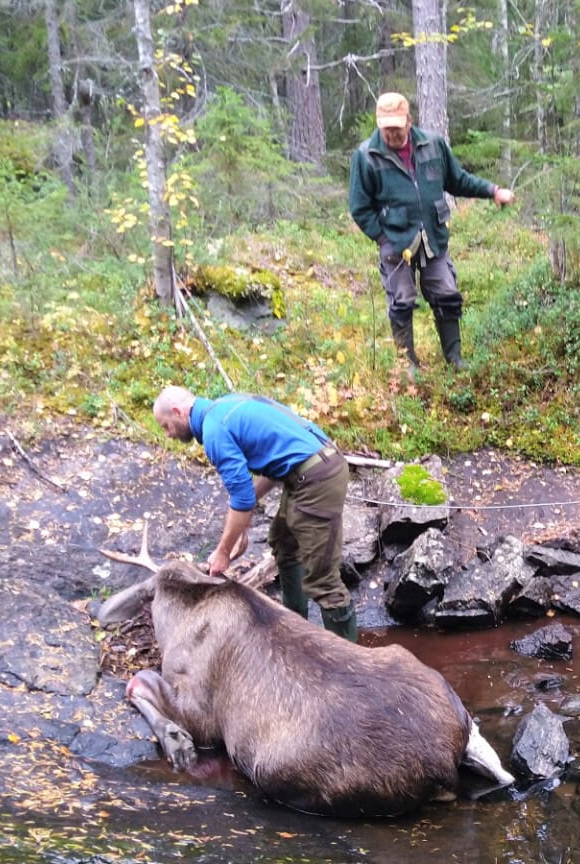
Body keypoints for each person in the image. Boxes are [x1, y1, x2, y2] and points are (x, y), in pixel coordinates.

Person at [152, 385, 357, 642]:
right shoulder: (227, 405)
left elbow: (241, 498)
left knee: (323, 580)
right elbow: (270, 469)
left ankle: (350, 663)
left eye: (165, 426)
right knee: (283, 541)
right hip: (308, 472)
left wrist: (223, 553)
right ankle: (294, 632)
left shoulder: (215, 430)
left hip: (316, 479)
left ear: (177, 412)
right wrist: (242, 524)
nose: (168, 434)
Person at [348, 91, 515, 369]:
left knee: (447, 295)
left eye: (396, 128)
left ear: (409, 121)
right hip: (395, 243)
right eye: (386, 128)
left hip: (432, 238)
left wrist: (492, 191)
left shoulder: (433, 145)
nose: (391, 134)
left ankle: (455, 359)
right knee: (401, 302)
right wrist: (382, 237)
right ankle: (408, 365)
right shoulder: (366, 156)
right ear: (379, 125)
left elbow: (458, 180)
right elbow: (359, 206)